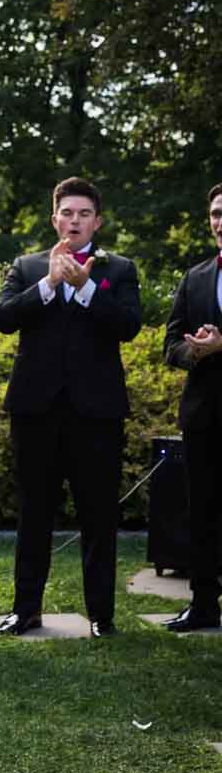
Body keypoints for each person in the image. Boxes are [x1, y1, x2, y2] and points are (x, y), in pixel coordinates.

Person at [0, 176, 142, 638]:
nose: (74, 221)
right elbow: (2, 317)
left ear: (97, 220)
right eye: (66, 213)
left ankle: (101, 615)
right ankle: (26, 609)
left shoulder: (118, 269)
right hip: (36, 410)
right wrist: (49, 284)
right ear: (54, 217)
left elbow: (129, 326)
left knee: (98, 515)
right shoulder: (27, 264)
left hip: (96, 413)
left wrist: (87, 290)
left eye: (83, 214)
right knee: (34, 512)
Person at [161, 181, 222, 633]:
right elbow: (170, 344)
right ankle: (203, 605)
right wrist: (196, 352)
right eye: (217, 213)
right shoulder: (195, 276)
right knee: (202, 513)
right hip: (204, 416)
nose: (221, 221)